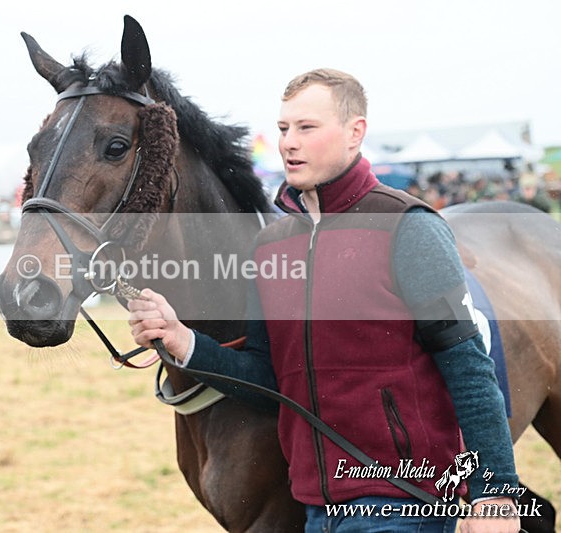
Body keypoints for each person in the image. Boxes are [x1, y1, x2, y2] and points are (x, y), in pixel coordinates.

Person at [129, 69, 520, 532]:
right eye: (283, 129)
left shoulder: (408, 226)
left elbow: (469, 368)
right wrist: (183, 340)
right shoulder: (271, 246)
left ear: (355, 133)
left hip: (402, 504)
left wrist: (496, 492)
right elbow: (267, 378)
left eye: (306, 128)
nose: (289, 142)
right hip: (317, 510)